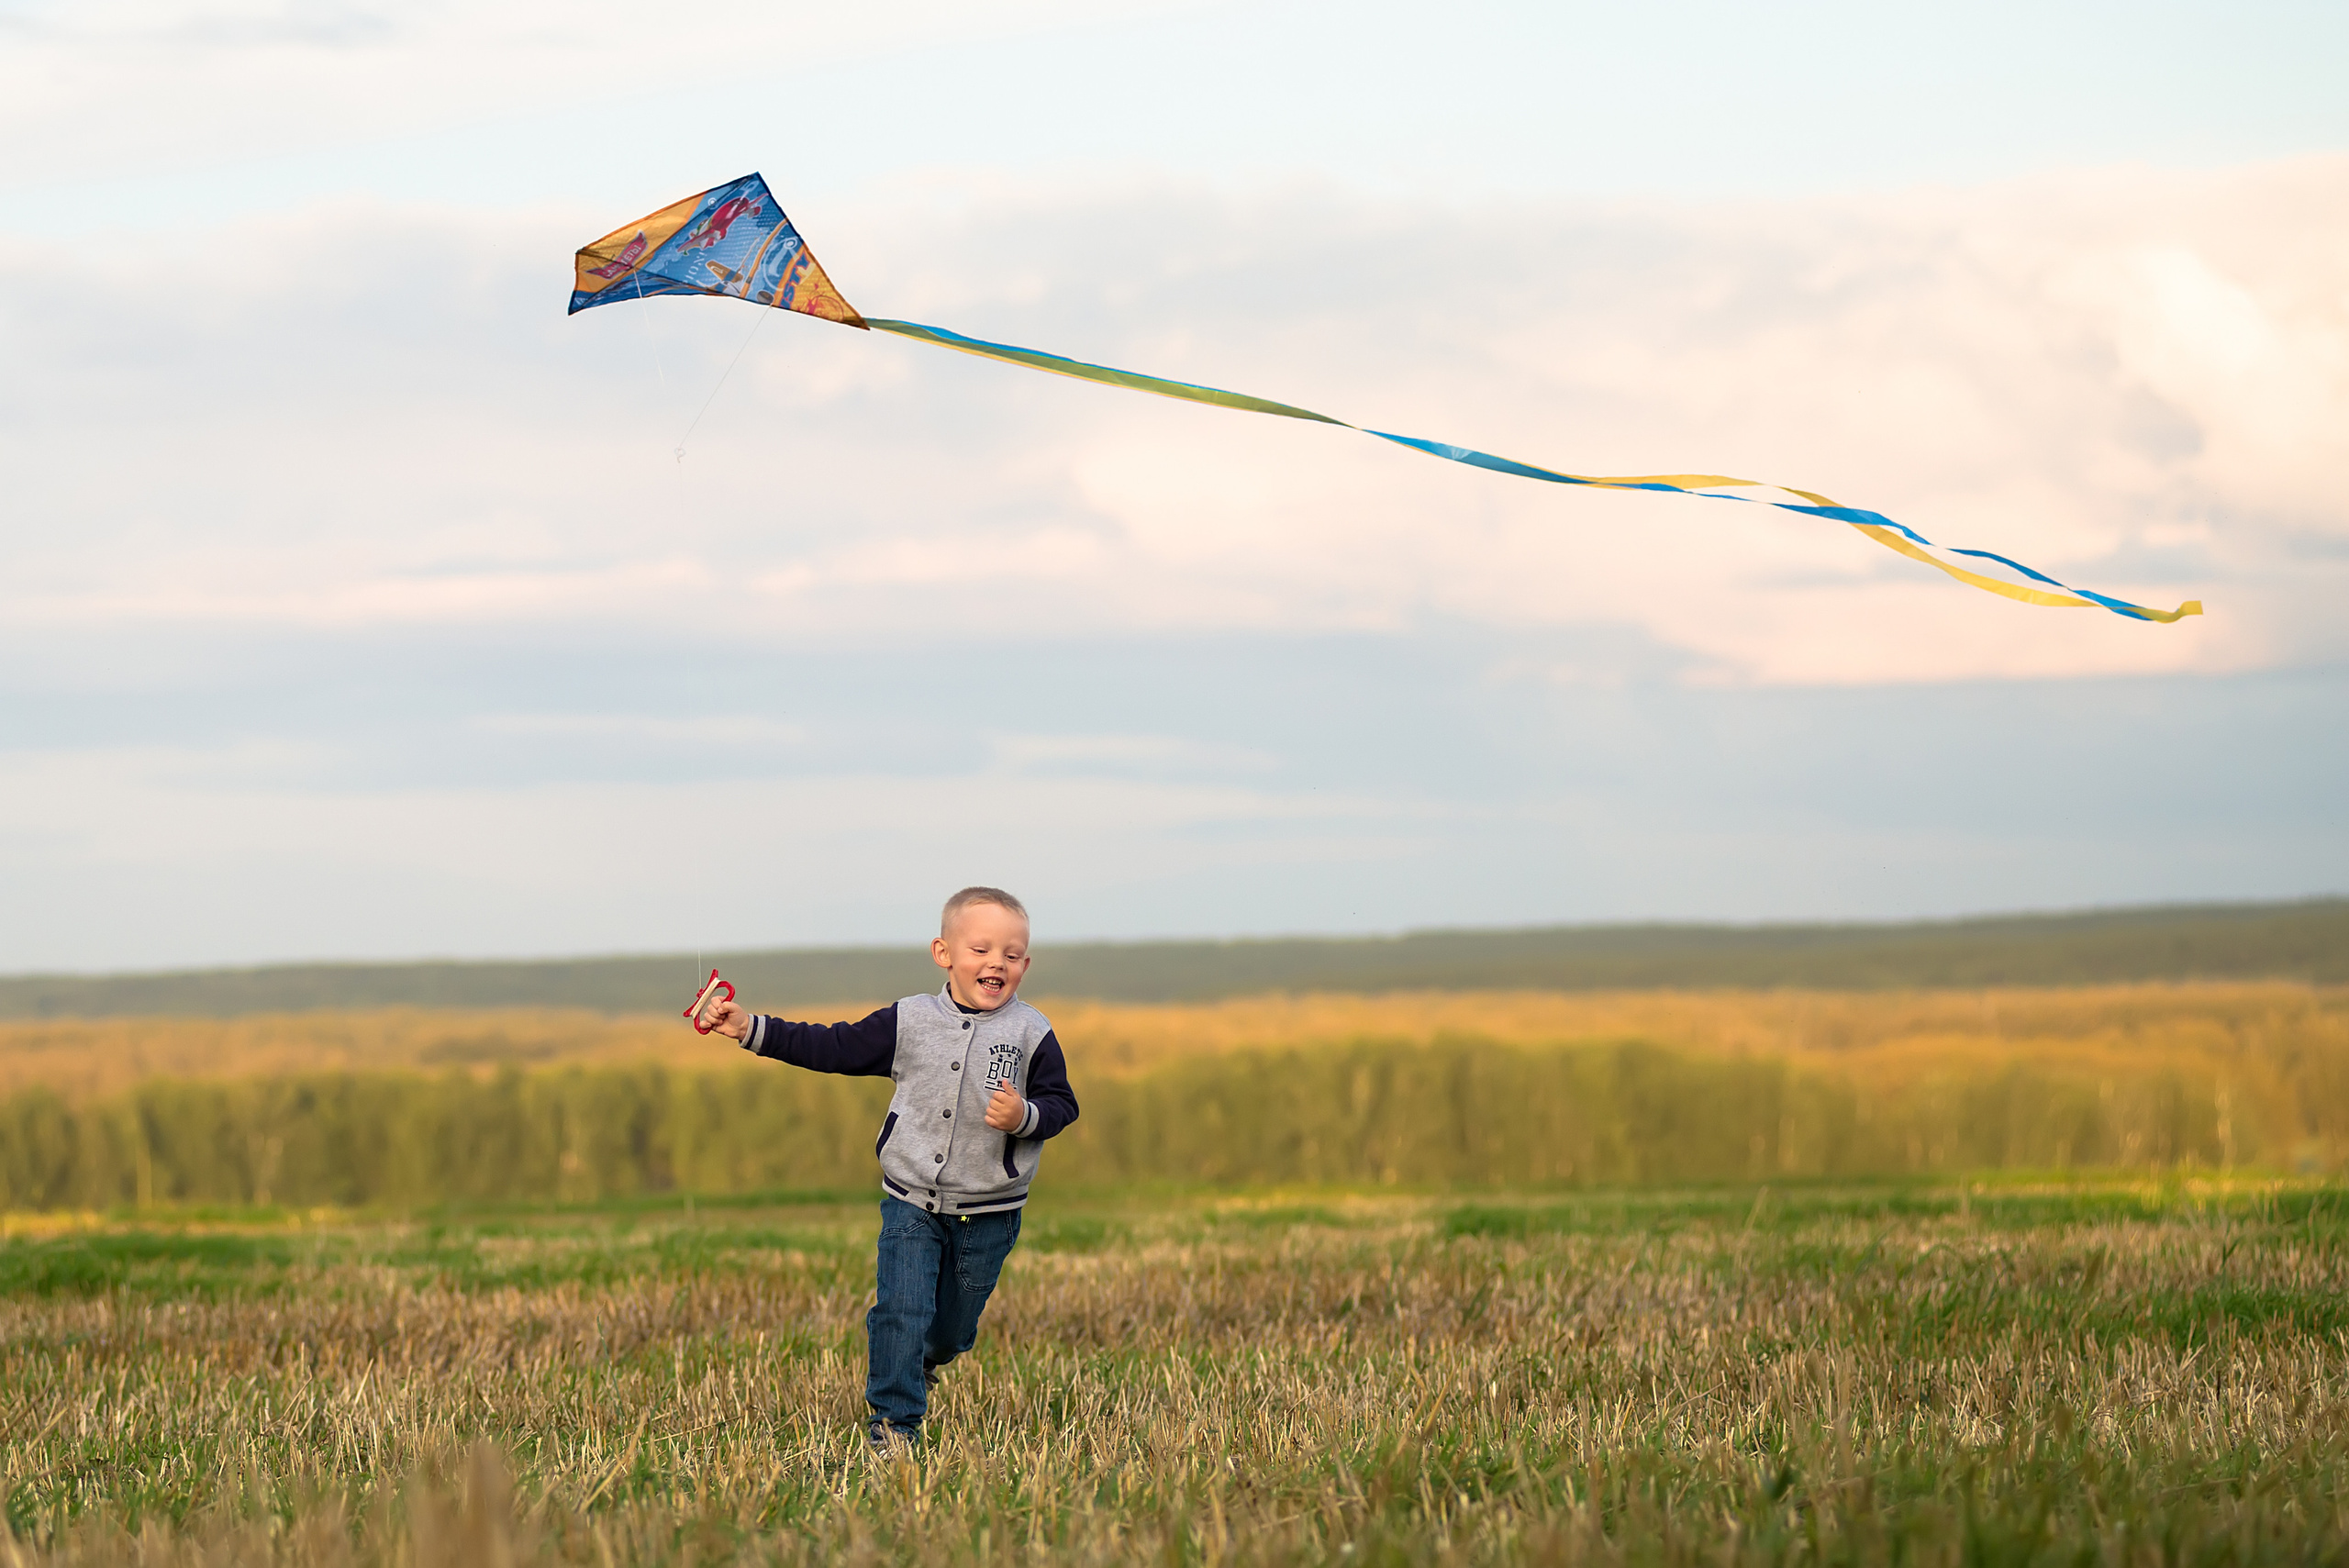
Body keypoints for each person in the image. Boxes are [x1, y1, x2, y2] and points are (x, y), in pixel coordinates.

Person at [701, 886, 1078, 1456]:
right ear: (943, 953)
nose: (996, 962)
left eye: (1012, 953)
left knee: (950, 1328)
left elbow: (1062, 1104)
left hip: (990, 1210)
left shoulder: (1032, 1033)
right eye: (980, 949)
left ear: (1025, 964)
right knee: (902, 1309)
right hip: (910, 1199)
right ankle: (893, 1427)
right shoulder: (909, 1021)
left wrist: (1026, 1116)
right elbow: (831, 1046)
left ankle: (925, 1359)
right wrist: (750, 1027)